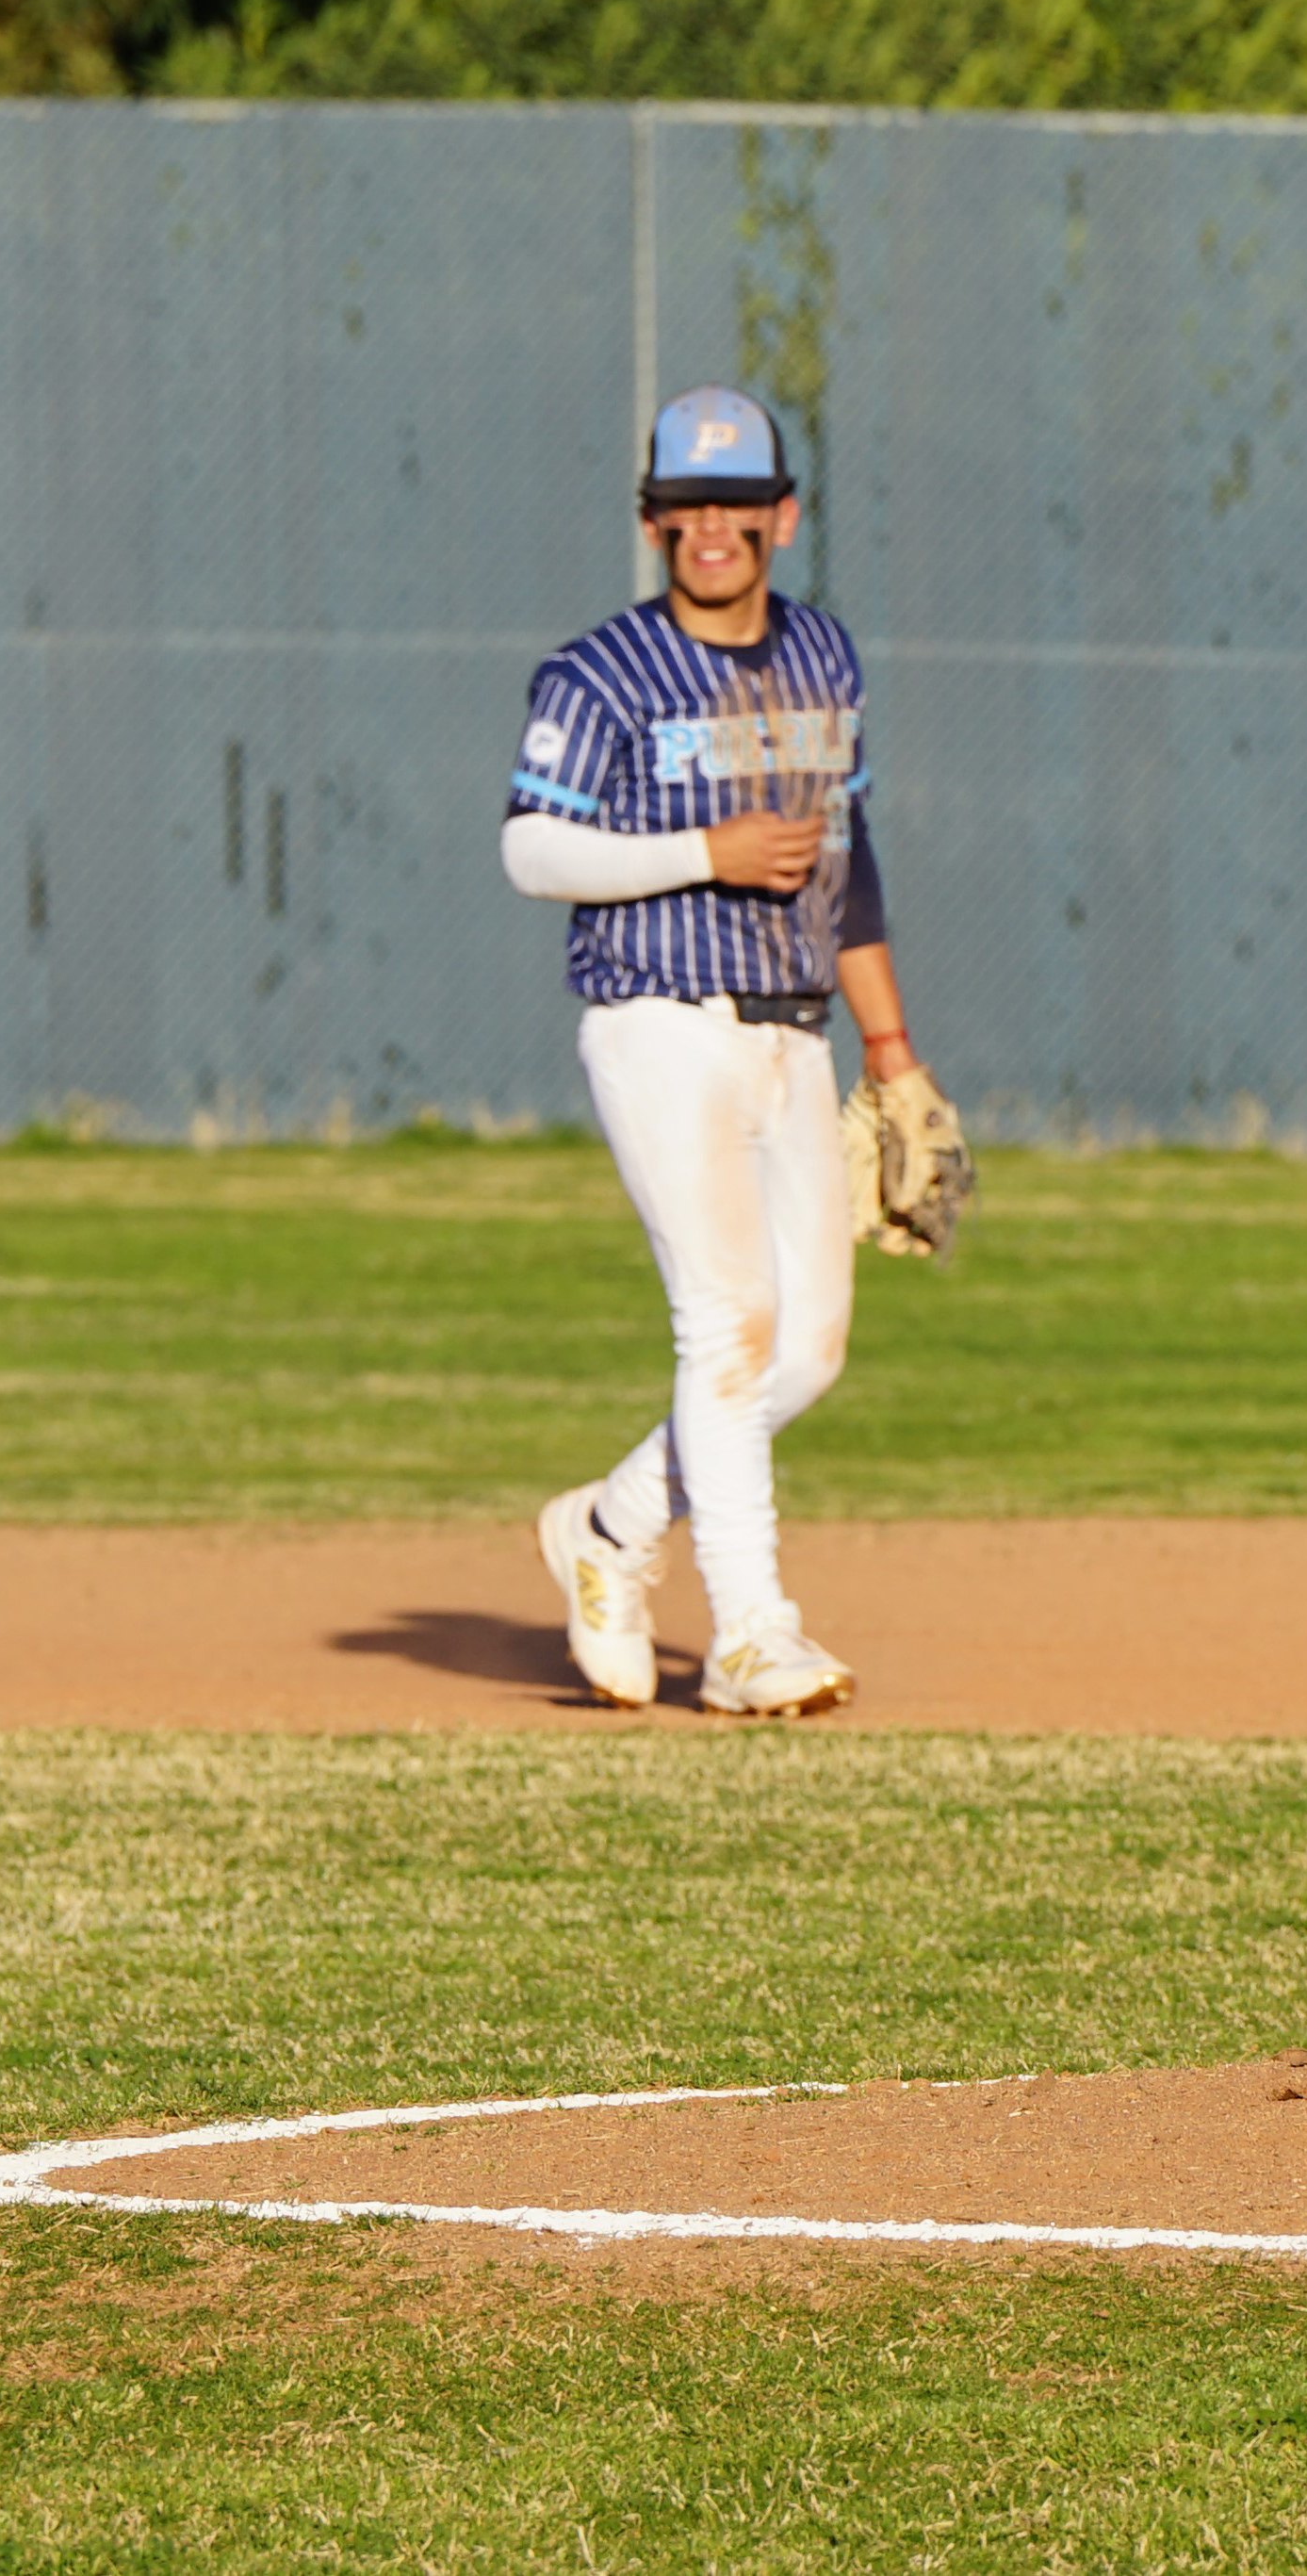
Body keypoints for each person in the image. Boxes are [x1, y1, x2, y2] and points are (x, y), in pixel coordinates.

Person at [502, 386, 940, 1716]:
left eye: (737, 507)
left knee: (807, 1347)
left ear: (782, 517)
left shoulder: (825, 660)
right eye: (686, 507)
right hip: (657, 1021)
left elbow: (848, 872)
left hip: (794, 1032)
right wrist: (705, 853)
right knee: (729, 1325)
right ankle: (751, 1635)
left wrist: (896, 1053)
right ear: (652, 523)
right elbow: (532, 849)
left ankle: (613, 1529)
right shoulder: (597, 675)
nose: (712, 529)